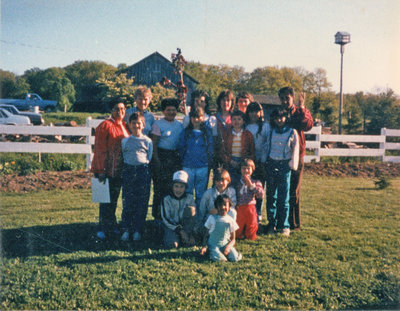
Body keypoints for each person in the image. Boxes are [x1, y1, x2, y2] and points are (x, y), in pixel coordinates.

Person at [91, 101, 129, 240]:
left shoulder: (124, 126)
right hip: (105, 169)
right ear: (111, 110)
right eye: (117, 109)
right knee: (104, 201)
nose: (120, 111)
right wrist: (100, 170)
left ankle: (111, 226)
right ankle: (102, 228)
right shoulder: (105, 125)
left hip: (118, 170)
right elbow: (99, 149)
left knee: (113, 201)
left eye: (123, 109)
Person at [278, 86, 313, 231]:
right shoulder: (279, 114)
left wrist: (302, 107)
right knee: (281, 190)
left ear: (292, 98)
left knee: (294, 191)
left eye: (288, 98)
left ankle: (294, 223)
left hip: (296, 156)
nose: (285, 101)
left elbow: (307, 125)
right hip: (280, 156)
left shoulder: (300, 112)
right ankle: (281, 222)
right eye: (283, 98)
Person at [265, 108, 299, 236]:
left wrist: (292, 164)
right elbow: (266, 147)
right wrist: (265, 161)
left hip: (284, 165)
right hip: (271, 163)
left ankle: (284, 225)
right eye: (277, 118)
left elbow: (295, 148)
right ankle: (271, 224)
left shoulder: (291, 132)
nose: (279, 120)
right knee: (271, 196)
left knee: (283, 197)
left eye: (282, 117)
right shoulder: (271, 131)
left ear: (286, 118)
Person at [120, 112, 153, 242]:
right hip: (128, 170)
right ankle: (126, 229)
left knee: (141, 202)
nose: (136, 126)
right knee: (128, 201)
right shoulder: (125, 141)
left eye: (138, 123)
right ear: (129, 125)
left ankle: (138, 229)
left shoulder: (147, 141)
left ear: (143, 125)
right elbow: (124, 155)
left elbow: (149, 157)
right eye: (133, 123)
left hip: (142, 171)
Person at [150, 98, 184, 220]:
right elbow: (153, 144)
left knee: (173, 187)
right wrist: (156, 159)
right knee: (160, 188)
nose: (171, 112)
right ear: (164, 111)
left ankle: (170, 216)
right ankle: (157, 216)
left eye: (173, 110)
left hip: (174, 158)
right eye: (168, 110)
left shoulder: (179, 125)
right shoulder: (158, 124)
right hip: (161, 156)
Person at [178, 107, 213, 209]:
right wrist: (183, 160)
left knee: (200, 194)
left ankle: (199, 218)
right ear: (190, 118)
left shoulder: (207, 132)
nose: (196, 120)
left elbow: (210, 149)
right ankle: (188, 217)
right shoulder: (186, 132)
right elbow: (181, 148)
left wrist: (207, 161)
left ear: (203, 118)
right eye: (194, 117)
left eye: (199, 117)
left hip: (202, 166)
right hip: (188, 166)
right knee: (187, 192)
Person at [245, 102, 271, 222]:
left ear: (260, 112)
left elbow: (267, 145)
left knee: (259, 189)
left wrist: (263, 161)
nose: (254, 114)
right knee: (248, 188)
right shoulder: (246, 126)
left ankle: (258, 213)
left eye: (256, 111)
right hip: (248, 163)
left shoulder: (265, 126)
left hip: (261, 162)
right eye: (251, 111)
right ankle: (248, 214)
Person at [200, 195, 242, 262]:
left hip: (225, 245)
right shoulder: (212, 218)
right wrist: (204, 246)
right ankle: (211, 252)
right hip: (214, 245)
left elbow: (233, 239)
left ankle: (223, 253)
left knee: (235, 258)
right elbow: (206, 234)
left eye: (225, 205)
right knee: (221, 260)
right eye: (220, 205)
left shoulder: (231, 220)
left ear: (229, 207)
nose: (222, 207)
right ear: (216, 207)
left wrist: (228, 247)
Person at [161, 170, 197, 248]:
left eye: (181, 187)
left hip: (186, 226)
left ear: (185, 187)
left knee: (191, 243)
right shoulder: (166, 199)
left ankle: (187, 237)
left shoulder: (190, 198)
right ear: (172, 186)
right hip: (172, 227)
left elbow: (192, 217)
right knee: (173, 244)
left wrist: (190, 233)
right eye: (176, 186)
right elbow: (166, 218)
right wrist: (180, 230)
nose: (178, 190)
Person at [219, 110, 255, 187]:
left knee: (241, 184)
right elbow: (222, 151)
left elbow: (251, 151)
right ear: (231, 121)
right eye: (234, 119)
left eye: (239, 119)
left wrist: (245, 162)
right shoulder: (227, 134)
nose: (236, 121)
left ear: (243, 121)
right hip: (230, 162)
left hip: (243, 163)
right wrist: (230, 161)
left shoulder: (248, 135)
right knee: (230, 183)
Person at [235, 158, 264, 240]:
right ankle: (240, 234)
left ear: (252, 170)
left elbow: (261, 195)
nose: (246, 170)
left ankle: (250, 235)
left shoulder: (256, 182)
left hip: (250, 207)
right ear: (240, 170)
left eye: (248, 168)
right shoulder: (237, 183)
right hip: (239, 207)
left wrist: (251, 186)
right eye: (244, 168)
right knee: (238, 226)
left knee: (252, 224)